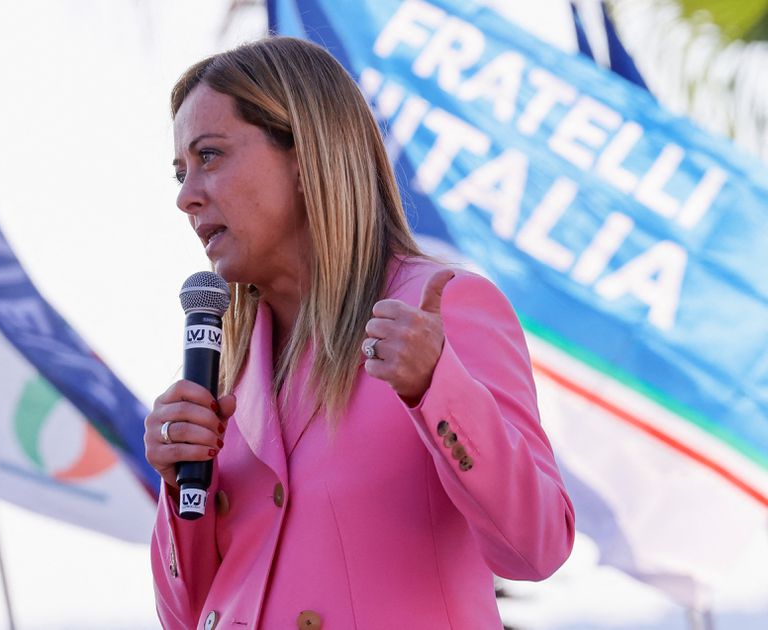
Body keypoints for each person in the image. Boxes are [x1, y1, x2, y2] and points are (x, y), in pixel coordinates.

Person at [144, 36, 574, 629]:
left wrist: (436, 386)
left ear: (305, 156)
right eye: (179, 172)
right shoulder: (230, 373)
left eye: (210, 156)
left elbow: (538, 546)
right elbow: (191, 616)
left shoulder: (443, 309)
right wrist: (179, 488)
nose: (186, 196)